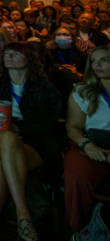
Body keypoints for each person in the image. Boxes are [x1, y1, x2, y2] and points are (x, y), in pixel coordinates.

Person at [0, 42, 61, 241]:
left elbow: (48, 120)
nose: (9, 56)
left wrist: (18, 127)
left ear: (30, 59)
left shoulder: (45, 88)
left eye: (16, 53)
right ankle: (23, 215)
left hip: (33, 142)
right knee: (5, 141)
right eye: (7, 53)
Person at [64, 46, 110, 233]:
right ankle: (81, 231)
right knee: (75, 176)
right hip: (91, 145)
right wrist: (87, 144)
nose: (97, 64)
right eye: (93, 61)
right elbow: (72, 127)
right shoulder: (82, 91)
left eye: (104, 60)